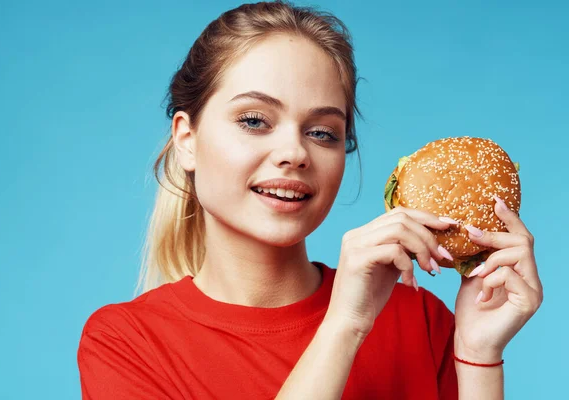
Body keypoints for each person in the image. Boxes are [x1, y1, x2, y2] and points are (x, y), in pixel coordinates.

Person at [77, 1, 544, 399]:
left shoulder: (420, 321)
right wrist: (344, 327)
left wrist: (480, 357)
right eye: (254, 121)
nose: (295, 154)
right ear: (187, 138)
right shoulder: (126, 343)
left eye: (322, 132)